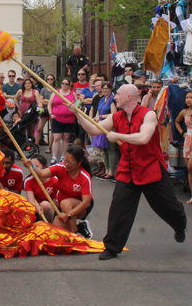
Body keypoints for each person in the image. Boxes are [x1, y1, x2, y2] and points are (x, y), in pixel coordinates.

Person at [71, 84, 187, 260]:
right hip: (128, 169)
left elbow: (143, 138)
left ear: (128, 98)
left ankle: (179, 224)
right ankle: (111, 247)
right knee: (119, 207)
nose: (115, 97)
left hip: (151, 168)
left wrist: (119, 136)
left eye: (118, 94)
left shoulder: (148, 114)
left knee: (166, 206)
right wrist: (78, 114)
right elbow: (94, 129)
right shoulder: (116, 116)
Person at [24, 145, 93, 238]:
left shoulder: (84, 177)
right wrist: (31, 166)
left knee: (66, 203)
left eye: (70, 162)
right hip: (62, 206)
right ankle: (80, 227)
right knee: (54, 234)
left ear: (79, 163)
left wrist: (68, 215)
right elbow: (42, 173)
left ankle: (74, 232)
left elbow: (86, 202)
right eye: (65, 160)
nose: (66, 164)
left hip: (80, 206)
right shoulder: (60, 167)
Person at [92, 82, 117, 180]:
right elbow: (98, 111)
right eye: (103, 89)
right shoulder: (102, 99)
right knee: (104, 149)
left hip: (110, 125)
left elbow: (114, 114)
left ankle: (111, 171)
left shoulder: (112, 99)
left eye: (107, 88)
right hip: (102, 125)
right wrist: (96, 118)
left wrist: (101, 117)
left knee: (111, 149)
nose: (105, 90)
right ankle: (106, 170)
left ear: (110, 89)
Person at [48, 78, 76, 165]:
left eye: (66, 84)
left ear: (69, 85)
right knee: (56, 138)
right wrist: (50, 113)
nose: (64, 85)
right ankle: (54, 157)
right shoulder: (55, 92)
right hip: (57, 118)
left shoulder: (73, 94)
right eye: (63, 83)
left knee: (66, 138)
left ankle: (63, 157)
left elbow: (77, 104)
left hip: (69, 119)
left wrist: (75, 109)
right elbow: (49, 104)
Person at [24, 154, 58, 223]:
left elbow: (56, 203)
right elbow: (31, 201)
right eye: (31, 167)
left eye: (35, 167)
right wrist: (38, 207)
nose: (32, 169)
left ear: (45, 167)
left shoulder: (55, 180)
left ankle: (49, 226)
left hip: (52, 209)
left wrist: (46, 209)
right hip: (37, 209)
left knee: (45, 205)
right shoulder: (28, 181)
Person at [174, 90, 192, 204]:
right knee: (190, 170)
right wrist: (182, 132)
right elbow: (176, 121)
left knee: (191, 166)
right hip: (188, 140)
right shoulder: (184, 111)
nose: (188, 99)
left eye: (191, 97)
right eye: (187, 97)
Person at [36, 74, 56, 153]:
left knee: (52, 130)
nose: (50, 80)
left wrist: (47, 101)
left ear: (53, 80)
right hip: (44, 111)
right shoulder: (43, 90)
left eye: (51, 79)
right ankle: (36, 145)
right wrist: (50, 102)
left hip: (53, 111)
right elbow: (41, 101)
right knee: (39, 129)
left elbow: (55, 102)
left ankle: (50, 147)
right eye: (48, 79)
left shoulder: (56, 90)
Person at [78, 74, 98, 143]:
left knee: (92, 130)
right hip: (85, 111)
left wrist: (87, 100)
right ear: (89, 81)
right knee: (82, 130)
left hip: (94, 111)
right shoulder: (85, 89)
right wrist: (91, 100)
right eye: (91, 80)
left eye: (94, 80)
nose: (93, 82)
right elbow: (81, 100)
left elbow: (95, 100)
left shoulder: (97, 90)